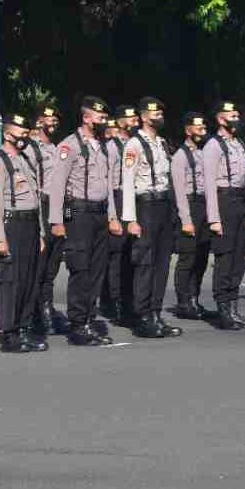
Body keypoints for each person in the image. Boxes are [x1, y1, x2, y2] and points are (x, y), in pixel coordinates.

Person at [48, 96, 121, 346]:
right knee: (81, 268)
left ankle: (89, 319)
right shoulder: (69, 146)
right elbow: (57, 186)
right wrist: (58, 220)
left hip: (100, 213)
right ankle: (78, 324)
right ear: (86, 118)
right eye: (100, 118)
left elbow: (109, 184)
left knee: (98, 269)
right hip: (77, 212)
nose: (104, 122)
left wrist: (112, 216)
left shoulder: (104, 146)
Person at [0, 114, 47, 353]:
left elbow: (35, 199)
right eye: (20, 133)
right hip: (12, 227)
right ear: (8, 134)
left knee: (29, 280)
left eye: (26, 133)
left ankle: (23, 328)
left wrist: (40, 232)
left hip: (29, 226)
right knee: (13, 282)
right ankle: (10, 333)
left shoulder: (24, 160)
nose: (24, 138)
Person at [120, 97, 182, 337]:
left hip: (163, 206)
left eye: (161, 113)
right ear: (144, 116)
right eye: (155, 113)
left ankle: (156, 312)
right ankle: (143, 316)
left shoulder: (162, 143)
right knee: (145, 263)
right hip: (144, 206)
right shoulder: (134, 145)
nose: (160, 117)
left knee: (162, 262)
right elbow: (127, 182)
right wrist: (131, 219)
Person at [203, 101, 245, 330]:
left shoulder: (239, 144)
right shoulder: (213, 146)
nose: (237, 118)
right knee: (225, 258)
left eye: (238, 114)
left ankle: (233, 308)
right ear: (220, 119)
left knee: (238, 258)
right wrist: (214, 218)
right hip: (223, 201)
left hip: (239, 204)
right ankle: (223, 310)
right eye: (232, 114)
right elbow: (208, 185)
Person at [25, 106, 64, 335]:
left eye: (55, 119)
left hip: (57, 209)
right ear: (38, 122)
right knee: (37, 267)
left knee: (51, 267)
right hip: (41, 207)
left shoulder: (57, 149)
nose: (53, 123)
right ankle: (34, 314)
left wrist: (66, 220)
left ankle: (46, 309)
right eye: (48, 119)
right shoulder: (31, 149)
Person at [170, 112, 210, 319]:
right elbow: (179, 191)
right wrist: (186, 220)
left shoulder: (203, 153)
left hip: (203, 205)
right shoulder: (180, 156)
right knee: (188, 257)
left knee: (202, 257)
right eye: (198, 128)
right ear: (188, 130)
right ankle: (183, 301)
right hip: (189, 206)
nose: (202, 131)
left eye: (204, 128)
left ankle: (194, 298)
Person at [102, 108, 138, 322]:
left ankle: (126, 300)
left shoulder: (132, 145)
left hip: (130, 197)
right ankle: (112, 301)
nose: (135, 122)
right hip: (117, 197)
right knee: (115, 255)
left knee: (129, 254)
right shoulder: (112, 148)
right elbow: (107, 183)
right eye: (131, 119)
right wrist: (112, 216)